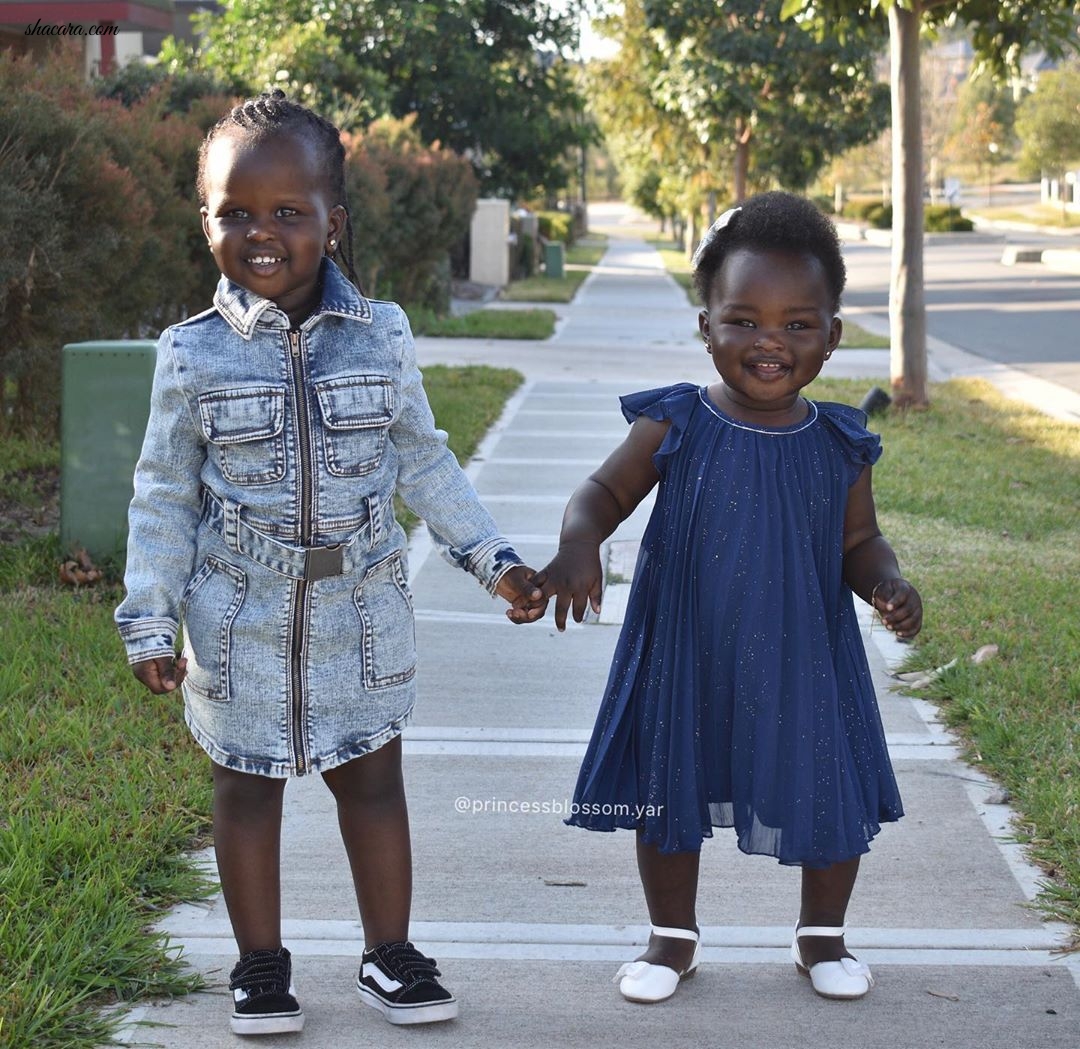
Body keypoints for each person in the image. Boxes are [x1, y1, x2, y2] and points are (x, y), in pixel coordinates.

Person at [115, 90, 542, 1035]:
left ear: (333, 223)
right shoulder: (190, 356)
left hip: (362, 610)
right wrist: (149, 615)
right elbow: (162, 496)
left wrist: (495, 561)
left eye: (288, 212)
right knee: (244, 784)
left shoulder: (382, 335)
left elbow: (426, 460)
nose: (261, 233)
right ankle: (261, 965)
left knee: (374, 781)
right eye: (236, 213)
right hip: (237, 616)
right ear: (207, 223)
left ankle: (389, 952)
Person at [530, 192, 922, 1004]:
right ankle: (671, 939)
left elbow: (857, 542)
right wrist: (578, 544)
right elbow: (601, 492)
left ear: (832, 335)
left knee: (824, 785)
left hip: (804, 654)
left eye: (797, 324)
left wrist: (886, 581)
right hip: (686, 649)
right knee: (667, 789)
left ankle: (824, 937)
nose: (769, 341)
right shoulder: (677, 423)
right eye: (743, 320)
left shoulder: (840, 441)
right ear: (705, 326)